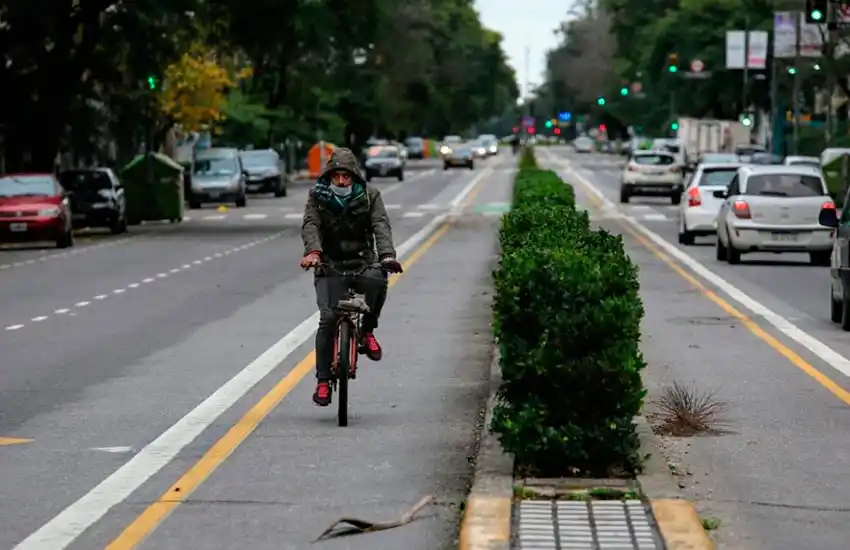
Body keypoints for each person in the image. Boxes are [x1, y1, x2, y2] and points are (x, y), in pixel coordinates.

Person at [300, 148, 402, 406]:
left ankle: (367, 331)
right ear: (329, 177)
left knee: (379, 280)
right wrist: (313, 252)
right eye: (337, 176)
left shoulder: (369, 196)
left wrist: (387, 256)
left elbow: (380, 225)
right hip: (330, 264)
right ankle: (323, 381)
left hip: (362, 261)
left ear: (354, 176)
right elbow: (311, 225)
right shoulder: (317, 196)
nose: (342, 181)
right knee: (327, 318)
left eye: (346, 176)